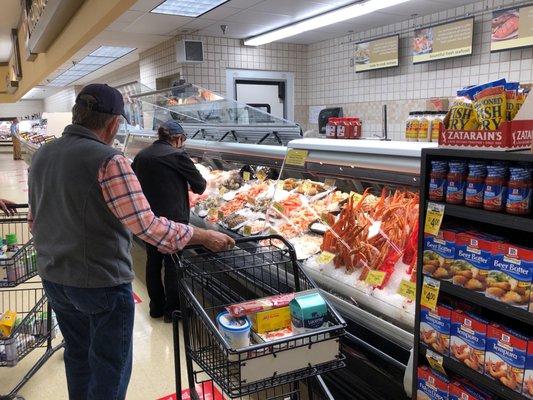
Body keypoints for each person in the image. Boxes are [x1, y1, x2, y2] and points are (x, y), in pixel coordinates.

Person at [28, 84, 234, 400]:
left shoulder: (43, 154)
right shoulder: (108, 159)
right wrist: (203, 236)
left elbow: (35, 221)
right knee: (110, 366)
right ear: (113, 123)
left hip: (55, 277)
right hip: (101, 283)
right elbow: (148, 227)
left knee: (78, 356)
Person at [132, 120, 205, 322]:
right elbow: (200, 185)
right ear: (177, 138)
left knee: (153, 262)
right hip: (174, 219)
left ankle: (156, 307)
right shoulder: (178, 155)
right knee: (173, 263)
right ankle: (173, 310)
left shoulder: (141, 156)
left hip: (148, 218)